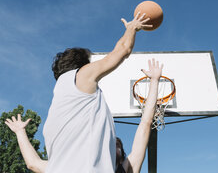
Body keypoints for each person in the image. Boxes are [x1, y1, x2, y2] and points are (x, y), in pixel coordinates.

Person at [37, 12, 151, 173]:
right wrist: (132, 29)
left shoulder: (57, 107)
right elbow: (123, 50)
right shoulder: (81, 75)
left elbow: (33, 163)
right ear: (82, 65)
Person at [5, 59, 163, 173]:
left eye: (117, 145)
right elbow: (33, 163)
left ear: (122, 154)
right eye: (111, 142)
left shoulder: (127, 168)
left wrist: (154, 81)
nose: (112, 145)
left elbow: (145, 124)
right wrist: (20, 132)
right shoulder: (71, 165)